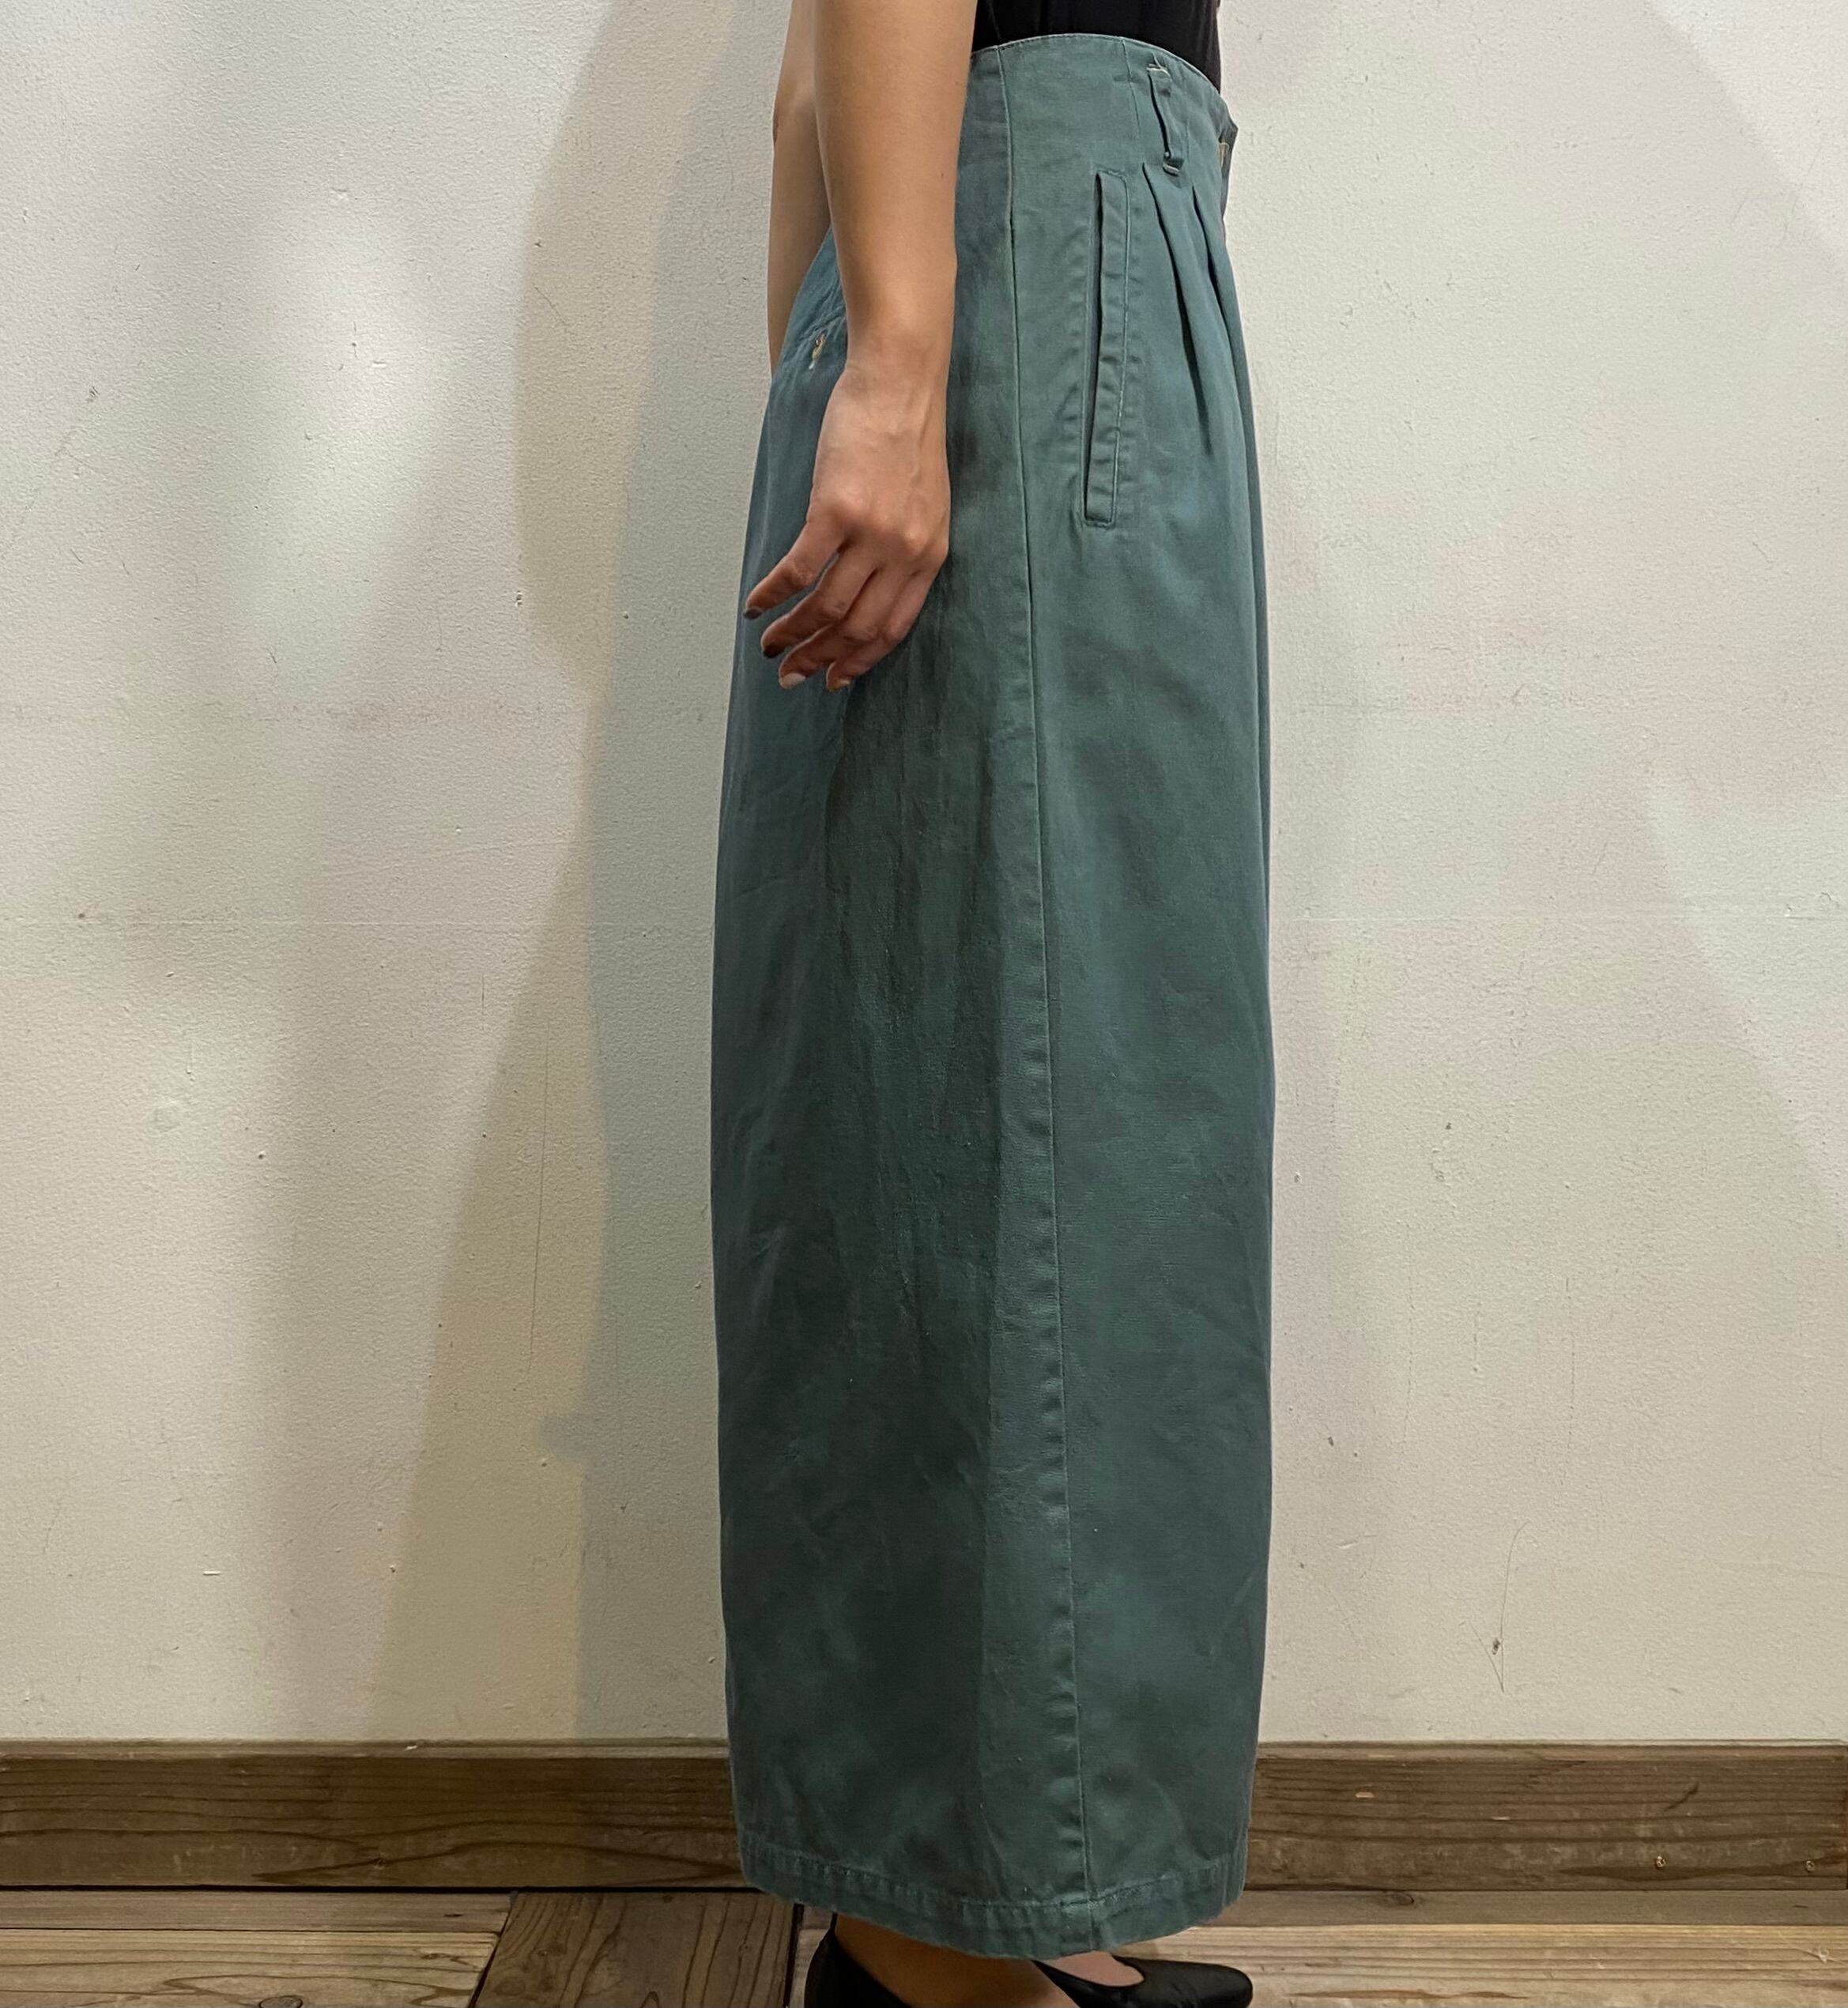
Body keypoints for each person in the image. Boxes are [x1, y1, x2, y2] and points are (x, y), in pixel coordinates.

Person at [709, 0, 1272, 2001]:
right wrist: (890, 363)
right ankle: (927, 1943)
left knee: (968, 1065)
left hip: (1016, 245)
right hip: (1041, 253)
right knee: (1026, 1108)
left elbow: (807, 84)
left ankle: (967, 1886)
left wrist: (838, 357)